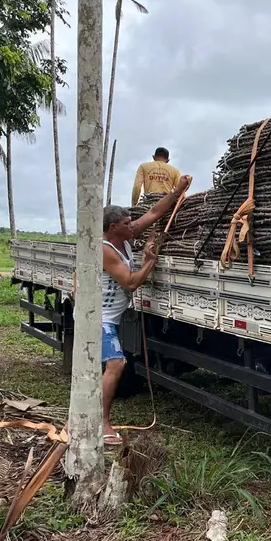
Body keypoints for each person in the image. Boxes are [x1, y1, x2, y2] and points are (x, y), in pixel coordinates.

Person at [101, 174, 191, 445]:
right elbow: (129, 283)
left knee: (110, 366)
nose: (133, 227)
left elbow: (153, 213)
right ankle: (102, 424)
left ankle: (81, 416)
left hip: (110, 317)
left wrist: (177, 192)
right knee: (116, 365)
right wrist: (149, 262)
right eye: (128, 224)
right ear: (113, 227)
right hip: (99, 318)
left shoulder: (124, 239)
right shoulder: (105, 250)